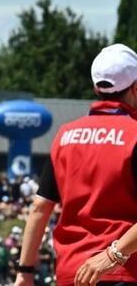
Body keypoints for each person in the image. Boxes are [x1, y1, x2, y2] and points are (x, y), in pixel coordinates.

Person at [15, 43, 137, 286]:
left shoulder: (65, 135)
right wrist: (113, 255)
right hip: (126, 272)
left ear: (96, 87)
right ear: (135, 88)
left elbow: (40, 208)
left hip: (73, 273)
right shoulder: (135, 135)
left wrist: (24, 271)